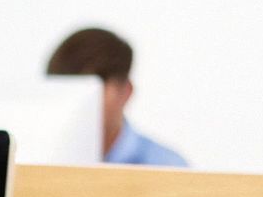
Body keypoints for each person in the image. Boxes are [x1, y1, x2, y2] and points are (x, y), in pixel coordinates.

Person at [45, 26, 187, 167]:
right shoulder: (37, 160)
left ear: (125, 92)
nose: (77, 102)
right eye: (66, 90)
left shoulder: (168, 167)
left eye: (93, 90)